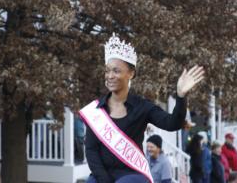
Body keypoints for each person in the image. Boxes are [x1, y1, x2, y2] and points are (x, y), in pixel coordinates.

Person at [79, 33, 205, 183]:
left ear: (131, 74)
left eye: (116, 71)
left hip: (131, 175)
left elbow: (173, 123)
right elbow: (91, 150)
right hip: (102, 176)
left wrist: (181, 95)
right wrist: (104, 180)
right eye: (107, 70)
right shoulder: (96, 111)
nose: (110, 76)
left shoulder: (143, 107)